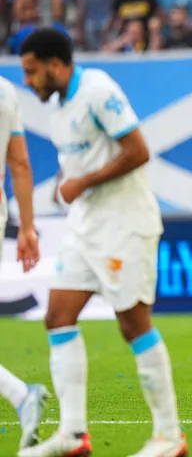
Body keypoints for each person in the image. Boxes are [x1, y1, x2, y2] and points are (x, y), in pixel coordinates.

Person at [17, 28, 187, 457]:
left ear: (56, 65)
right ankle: (73, 435)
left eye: (32, 71)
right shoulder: (58, 106)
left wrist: (83, 182)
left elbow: (138, 150)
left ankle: (169, 437)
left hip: (125, 225)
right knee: (57, 315)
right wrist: (72, 185)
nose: (28, 81)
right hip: (86, 227)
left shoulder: (98, 91)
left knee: (133, 324)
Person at [0, 74, 47, 451]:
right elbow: (20, 164)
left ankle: (20, 395)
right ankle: (20, 395)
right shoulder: (5, 89)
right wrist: (27, 226)